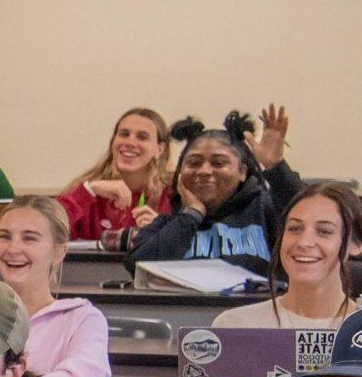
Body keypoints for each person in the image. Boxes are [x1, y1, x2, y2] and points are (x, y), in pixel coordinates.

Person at [126, 108, 302, 273]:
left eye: (218, 163)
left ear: (242, 171)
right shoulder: (167, 223)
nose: (204, 171)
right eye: (194, 163)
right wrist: (191, 215)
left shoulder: (265, 210)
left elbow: (309, 212)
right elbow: (138, 268)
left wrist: (276, 167)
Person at [0, 196, 110, 377]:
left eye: (29, 238)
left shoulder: (82, 318)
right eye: (4, 236)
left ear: (58, 252)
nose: (13, 248)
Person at [211, 182, 362, 331]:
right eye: (294, 228)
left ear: (356, 244)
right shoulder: (234, 326)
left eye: (324, 231)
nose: (304, 242)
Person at [56, 107, 172, 244]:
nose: (130, 143)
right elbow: (47, 230)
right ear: (113, 142)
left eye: (142, 137)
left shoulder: (174, 193)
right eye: (124, 134)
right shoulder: (90, 192)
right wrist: (89, 189)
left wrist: (163, 231)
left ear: (160, 150)